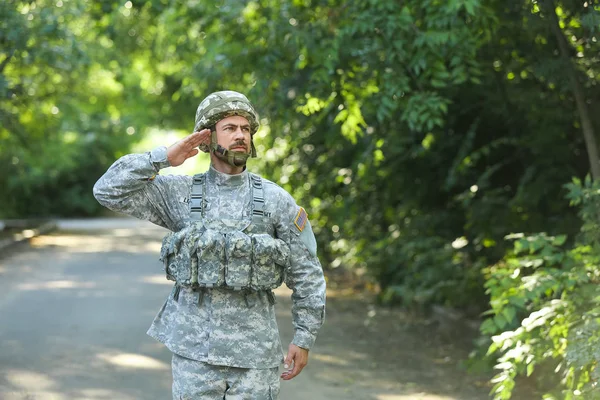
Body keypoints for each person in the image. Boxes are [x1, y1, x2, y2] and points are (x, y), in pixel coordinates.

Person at [93, 90, 326, 399]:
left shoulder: (274, 200)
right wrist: (162, 157)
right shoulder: (180, 195)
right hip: (195, 358)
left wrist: (304, 336)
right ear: (207, 137)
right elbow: (107, 191)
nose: (240, 135)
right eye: (230, 128)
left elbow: (307, 272)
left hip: (256, 359)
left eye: (245, 129)